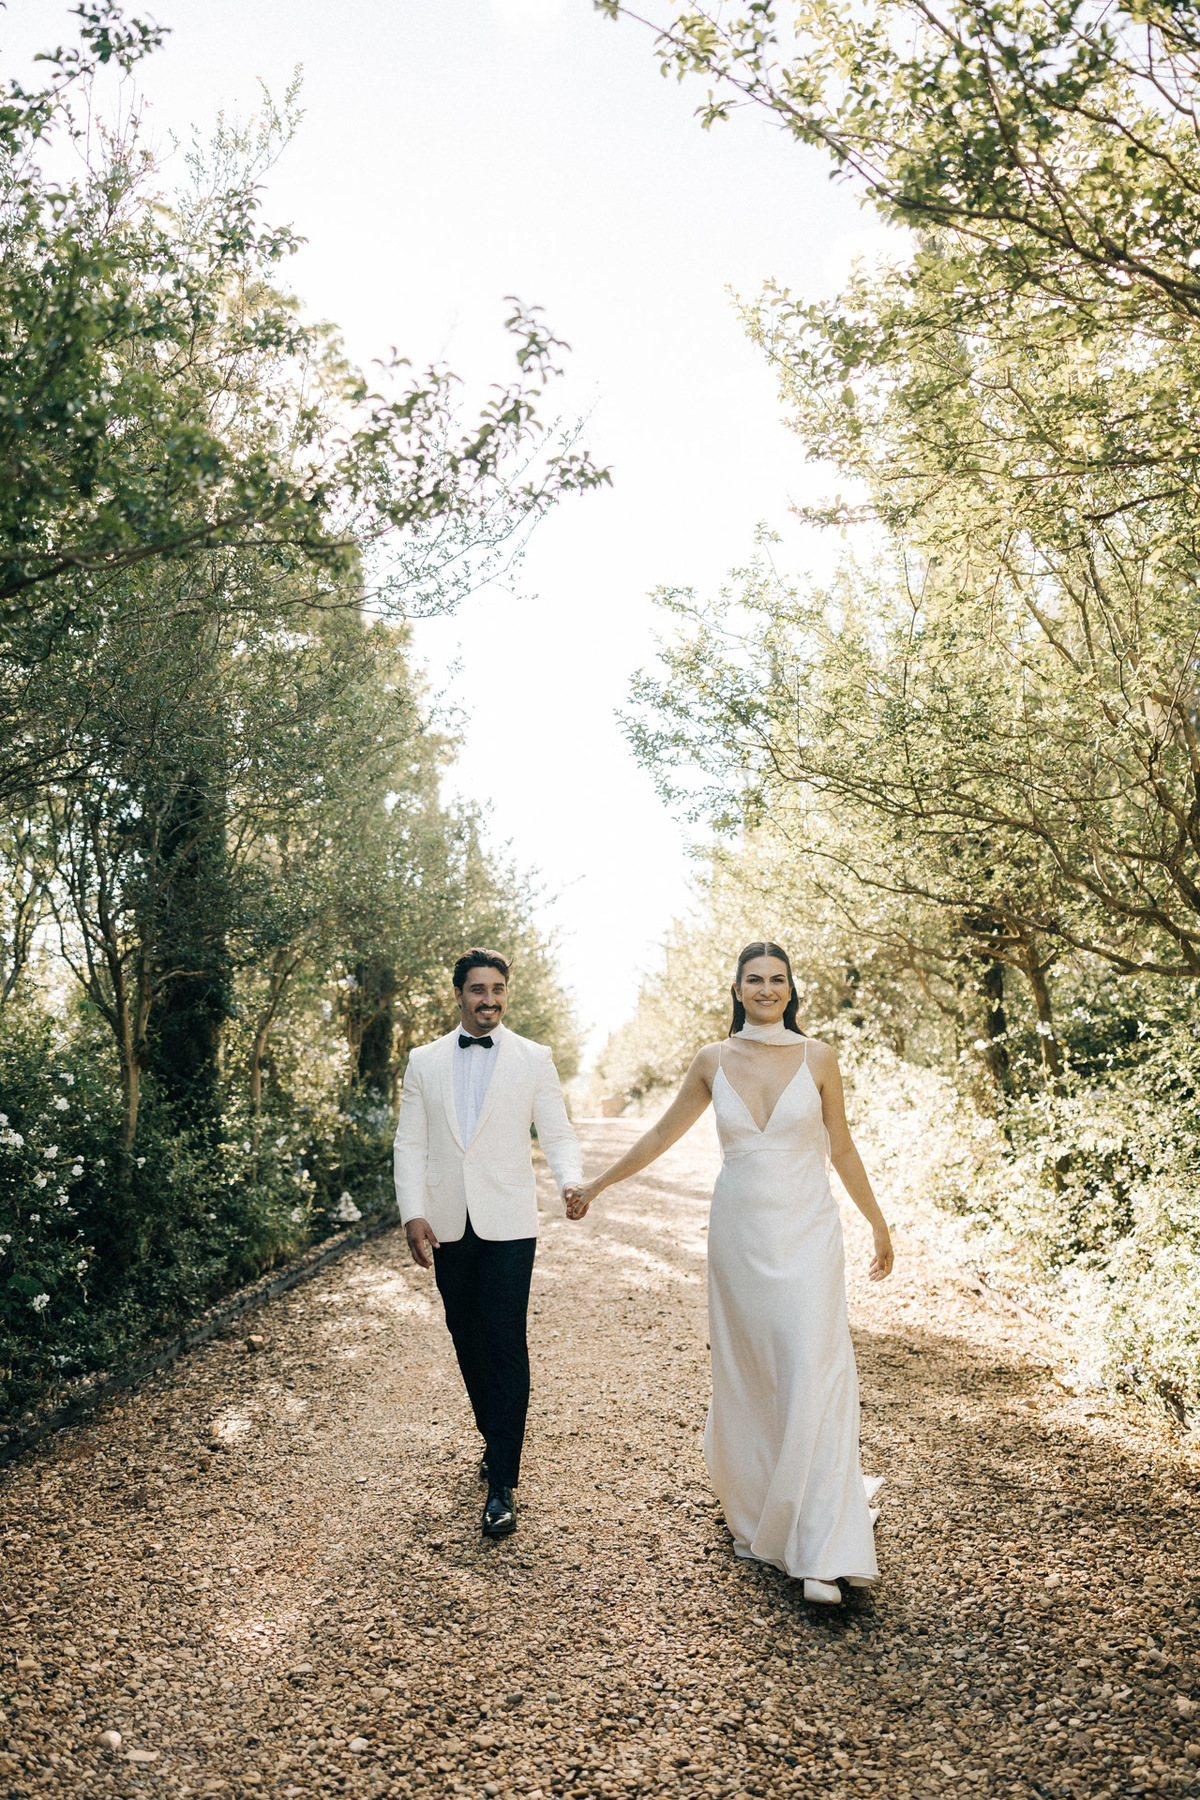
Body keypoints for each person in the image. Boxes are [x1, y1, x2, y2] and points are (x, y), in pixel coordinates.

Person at [562, 942, 893, 1603]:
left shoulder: (819, 1057)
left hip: (809, 1234)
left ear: (791, 989)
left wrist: (879, 1225)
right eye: (755, 980)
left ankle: (821, 1542)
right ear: (737, 990)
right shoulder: (711, 1060)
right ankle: (768, 1502)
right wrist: (597, 1185)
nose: (767, 989)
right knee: (755, 1371)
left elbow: (843, 1147)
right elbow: (660, 1136)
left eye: (778, 979)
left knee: (812, 1366)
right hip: (741, 1238)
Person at [394, 948, 582, 1539]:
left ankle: (502, 1479)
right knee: (467, 1339)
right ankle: (494, 1436)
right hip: (448, 1224)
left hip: (509, 1224)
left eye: (498, 989)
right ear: (459, 995)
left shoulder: (533, 1058)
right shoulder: (424, 1061)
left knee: (504, 1342)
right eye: (478, 989)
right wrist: (412, 1213)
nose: (489, 999)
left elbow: (557, 1131)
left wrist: (571, 1181)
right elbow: (409, 1143)